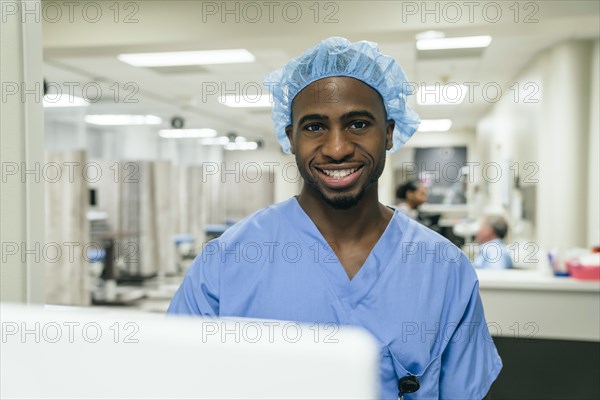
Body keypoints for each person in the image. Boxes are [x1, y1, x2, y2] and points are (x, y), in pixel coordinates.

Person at [167, 37, 501, 399]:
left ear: (388, 133)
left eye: (358, 124)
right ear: (290, 138)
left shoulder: (444, 269)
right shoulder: (225, 264)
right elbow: (174, 380)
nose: (337, 148)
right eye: (314, 127)